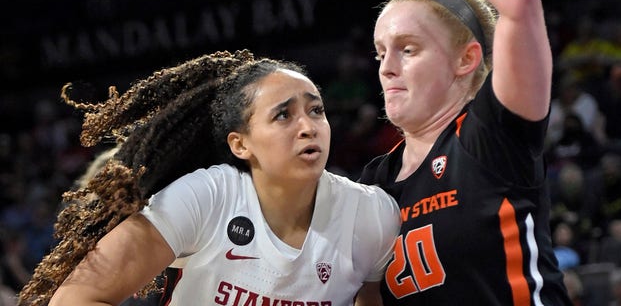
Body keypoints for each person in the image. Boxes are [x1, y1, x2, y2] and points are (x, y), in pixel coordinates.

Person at [17, 50, 401, 306]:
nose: (308, 127)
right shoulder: (207, 197)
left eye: (316, 111)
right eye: (283, 115)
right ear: (240, 144)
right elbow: (77, 296)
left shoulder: (370, 214)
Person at [359, 0, 572, 304]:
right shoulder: (373, 182)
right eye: (380, 52)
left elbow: (521, 0)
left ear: (466, 59)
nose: (386, 68)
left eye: (408, 50)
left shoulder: (490, 135)